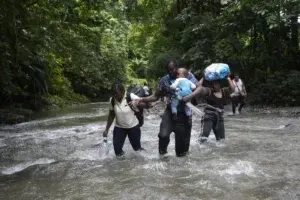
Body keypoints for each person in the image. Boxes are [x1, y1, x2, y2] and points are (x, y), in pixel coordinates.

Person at [135, 59, 198, 157]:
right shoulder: (164, 80)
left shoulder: (187, 75)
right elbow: (155, 96)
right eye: (168, 70)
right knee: (163, 135)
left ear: (177, 68)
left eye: (172, 69)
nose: (170, 72)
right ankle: (163, 157)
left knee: (181, 153)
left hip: (184, 114)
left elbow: (198, 88)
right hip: (170, 112)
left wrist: (189, 97)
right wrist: (141, 99)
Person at [182, 76, 234, 143]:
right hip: (208, 116)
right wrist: (203, 77)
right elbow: (199, 88)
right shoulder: (209, 91)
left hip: (219, 117)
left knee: (221, 140)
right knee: (203, 137)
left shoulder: (224, 91)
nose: (215, 85)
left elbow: (233, 89)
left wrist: (228, 78)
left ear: (219, 84)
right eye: (214, 84)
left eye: (216, 83)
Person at [102, 81, 146, 157]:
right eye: (114, 94)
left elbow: (145, 103)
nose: (115, 96)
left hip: (133, 127)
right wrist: (106, 129)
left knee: (137, 149)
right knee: (117, 151)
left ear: (122, 91)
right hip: (119, 128)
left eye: (117, 93)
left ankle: (147, 157)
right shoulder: (112, 100)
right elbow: (111, 115)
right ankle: (124, 165)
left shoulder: (130, 96)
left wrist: (136, 103)